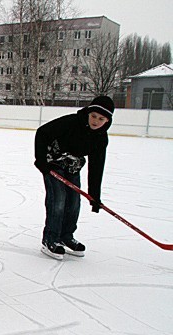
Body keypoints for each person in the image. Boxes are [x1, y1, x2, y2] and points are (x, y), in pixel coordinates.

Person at [34, 95, 115, 260]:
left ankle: (65, 236)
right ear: (88, 113)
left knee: (73, 202)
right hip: (53, 162)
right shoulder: (72, 122)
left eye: (101, 118)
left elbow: (96, 167)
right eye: (93, 116)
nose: (95, 121)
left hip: (72, 165)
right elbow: (42, 133)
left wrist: (94, 196)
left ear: (107, 121)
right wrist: (42, 161)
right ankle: (50, 239)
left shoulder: (101, 138)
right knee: (58, 199)